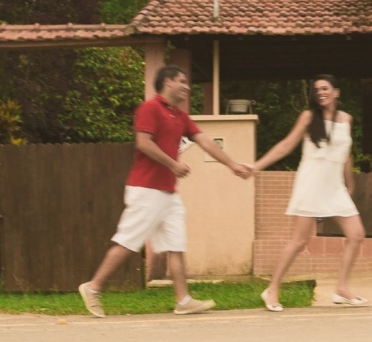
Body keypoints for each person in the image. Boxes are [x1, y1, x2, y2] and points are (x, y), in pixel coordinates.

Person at [78, 64, 251, 317]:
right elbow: (143, 143)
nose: (187, 87)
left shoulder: (180, 116)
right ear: (168, 82)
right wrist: (173, 164)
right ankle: (93, 287)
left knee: (176, 243)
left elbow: (204, 140)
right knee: (128, 241)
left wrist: (232, 165)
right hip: (146, 189)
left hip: (168, 193)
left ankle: (183, 300)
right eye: (182, 81)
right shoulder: (150, 108)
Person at [250, 74, 367, 311]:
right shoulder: (308, 117)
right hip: (311, 184)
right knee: (299, 241)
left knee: (356, 235)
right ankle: (272, 289)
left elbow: (346, 153)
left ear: (336, 92)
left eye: (325, 88)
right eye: (317, 89)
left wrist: (349, 183)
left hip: (335, 187)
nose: (321, 92)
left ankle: (341, 288)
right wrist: (256, 166)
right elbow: (286, 145)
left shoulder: (346, 119)